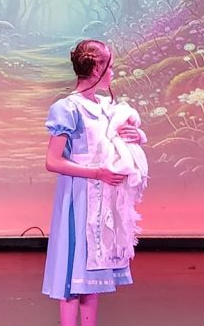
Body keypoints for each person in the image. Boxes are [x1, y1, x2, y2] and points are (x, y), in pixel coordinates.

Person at [42, 39, 145, 326]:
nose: (112, 72)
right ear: (97, 67)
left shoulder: (105, 107)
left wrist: (137, 137)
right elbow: (53, 161)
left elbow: (118, 140)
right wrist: (97, 173)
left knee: (93, 274)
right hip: (79, 197)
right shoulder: (68, 108)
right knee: (73, 271)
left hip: (103, 198)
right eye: (109, 66)